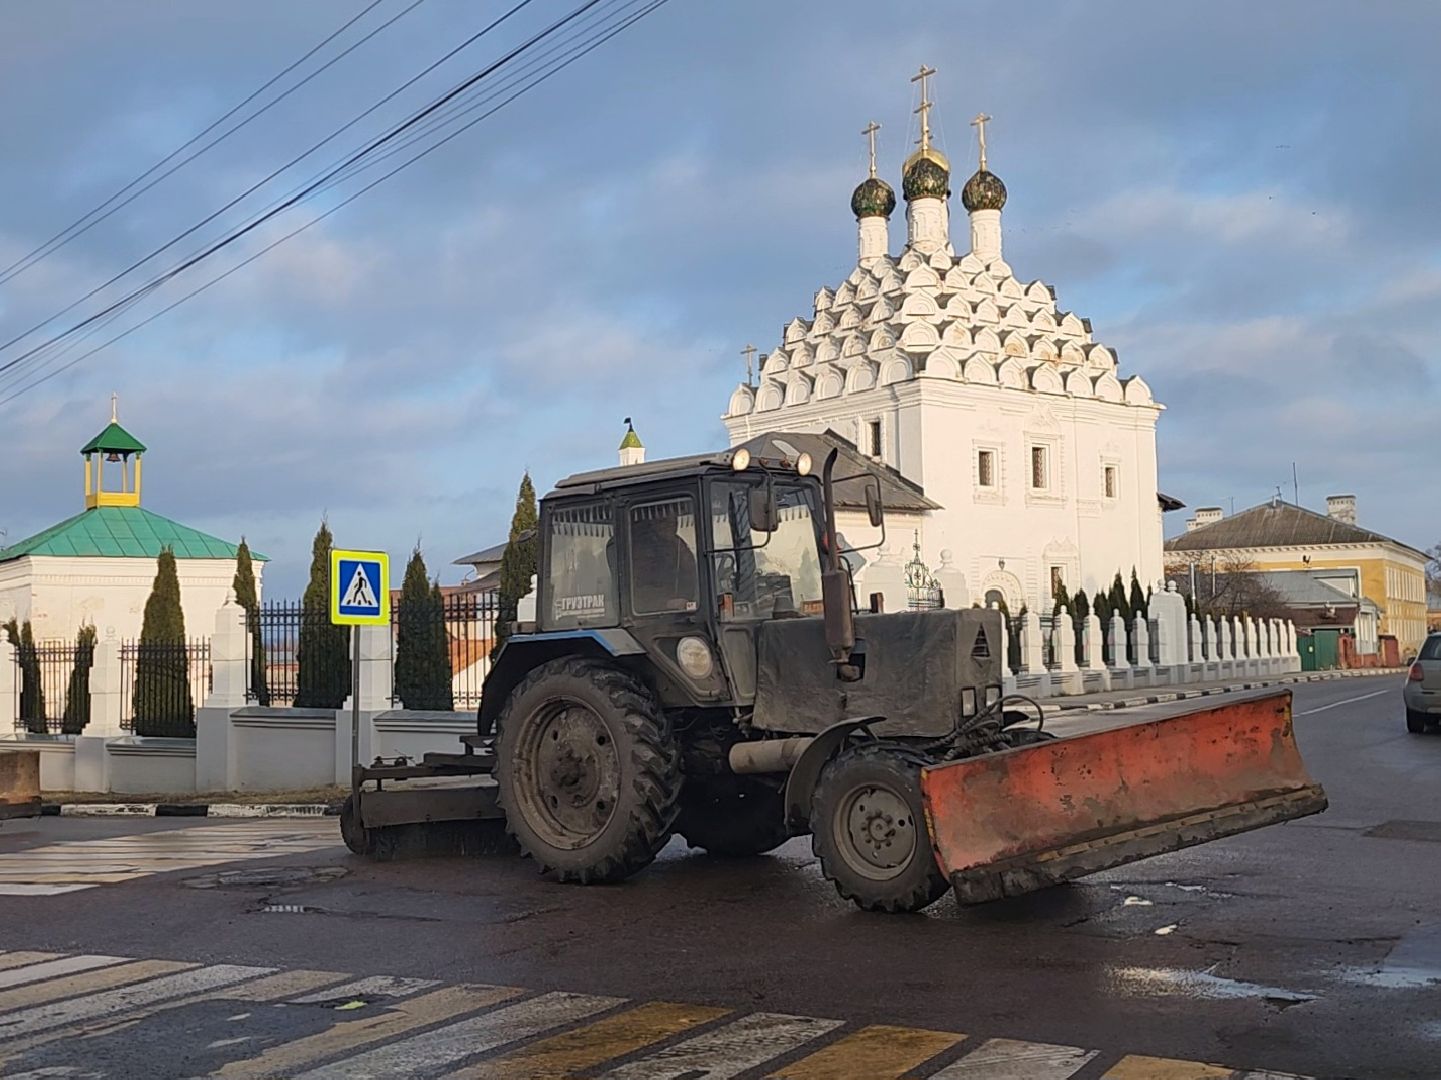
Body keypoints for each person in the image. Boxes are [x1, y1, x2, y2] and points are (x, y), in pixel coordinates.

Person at [631, 507, 698, 613]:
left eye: (674, 521)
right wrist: (666, 603)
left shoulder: (676, 543)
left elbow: (691, 571)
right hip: (651, 618)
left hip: (682, 608)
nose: (671, 525)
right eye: (664, 522)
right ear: (653, 523)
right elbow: (634, 594)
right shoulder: (642, 548)